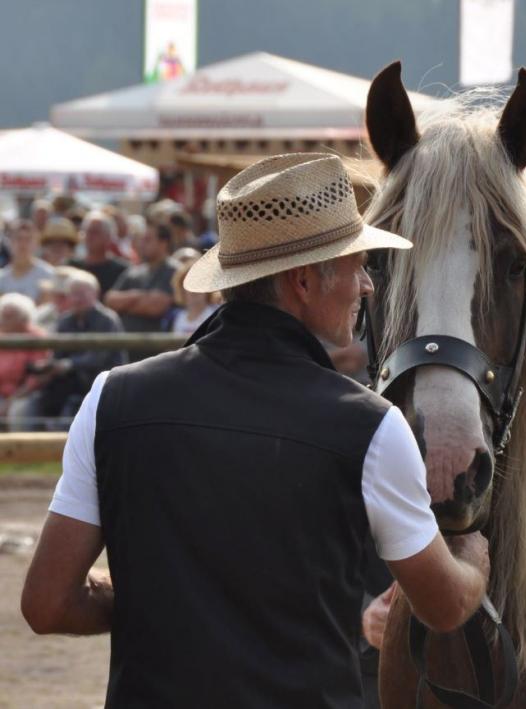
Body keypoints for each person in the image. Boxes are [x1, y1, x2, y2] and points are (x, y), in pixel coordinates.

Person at [21, 153, 490, 708]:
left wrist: (171, 597)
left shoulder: (112, 398)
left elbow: (48, 603)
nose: (366, 285)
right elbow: (443, 607)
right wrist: (472, 558)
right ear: (304, 281)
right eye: (357, 264)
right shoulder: (369, 426)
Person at [36, 270, 125, 423]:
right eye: (73, 294)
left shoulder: (107, 319)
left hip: (105, 382)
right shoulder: (65, 320)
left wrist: (67, 365)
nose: (77, 299)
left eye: (82, 294)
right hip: (72, 381)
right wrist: (50, 365)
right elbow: (58, 352)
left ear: (95, 293)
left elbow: (99, 358)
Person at [104, 221, 177, 336]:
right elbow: (110, 300)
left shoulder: (174, 271)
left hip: (158, 347)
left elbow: (156, 307)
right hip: (126, 345)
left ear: (163, 243)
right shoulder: (133, 272)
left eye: (147, 240)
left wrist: (124, 307)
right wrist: (140, 297)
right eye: (142, 240)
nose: (141, 244)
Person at [0, 293, 49, 430]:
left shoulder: (37, 337)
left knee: (18, 413)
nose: (2, 320)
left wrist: (11, 401)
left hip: (26, 394)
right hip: (2, 393)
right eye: (2, 315)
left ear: (23, 318)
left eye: (8, 316)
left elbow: (36, 377)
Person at [72, 211, 130, 296]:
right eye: (87, 231)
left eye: (95, 232)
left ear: (109, 237)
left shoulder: (122, 271)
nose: (89, 236)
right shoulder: (72, 266)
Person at [0, 220, 55, 302]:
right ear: (10, 242)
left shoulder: (48, 275)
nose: (23, 244)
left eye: (28, 239)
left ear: (36, 244)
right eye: (19, 238)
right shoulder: (2, 278)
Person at [170, 258, 219, 335]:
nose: (194, 289)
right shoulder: (177, 318)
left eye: (199, 282)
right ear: (181, 289)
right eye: (189, 283)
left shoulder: (217, 315)